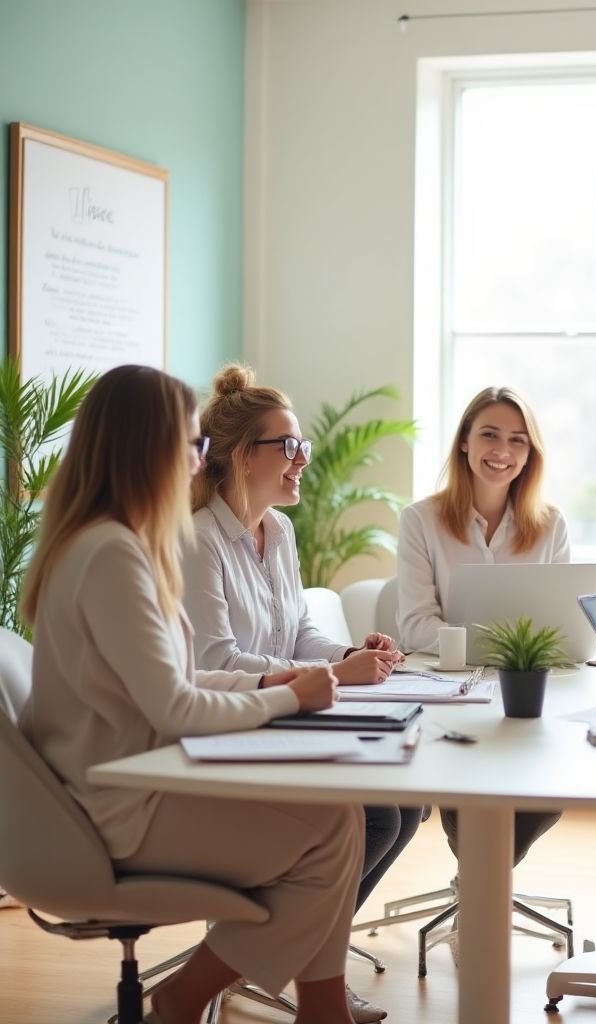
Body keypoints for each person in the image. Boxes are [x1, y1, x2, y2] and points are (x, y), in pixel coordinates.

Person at [19, 365, 364, 1024]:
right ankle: (188, 999)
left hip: (133, 784)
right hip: (117, 808)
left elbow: (174, 681)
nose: (198, 460)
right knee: (330, 832)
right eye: (190, 444)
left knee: (338, 816)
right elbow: (174, 707)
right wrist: (290, 698)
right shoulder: (114, 554)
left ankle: (315, 1009)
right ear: (145, 449)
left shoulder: (111, 544)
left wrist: (272, 682)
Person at [183, 363, 414, 1023]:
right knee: (375, 816)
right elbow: (213, 661)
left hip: (284, 716)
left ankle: (296, 956)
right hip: (231, 726)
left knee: (407, 803)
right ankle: (291, 963)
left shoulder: (277, 531)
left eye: (301, 443)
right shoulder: (198, 540)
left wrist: (347, 655)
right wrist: (333, 678)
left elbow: (299, 632)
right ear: (238, 456)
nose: (303, 458)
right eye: (287, 445)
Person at [396, 385, 568, 866]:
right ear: (464, 442)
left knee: (550, 788)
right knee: (470, 778)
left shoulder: (551, 525)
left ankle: (481, 877)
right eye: (490, 435)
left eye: (517, 440)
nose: (502, 451)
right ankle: (481, 882)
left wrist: (499, 650)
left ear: (530, 453)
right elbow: (415, 627)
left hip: (526, 693)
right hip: (449, 693)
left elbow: (560, 626)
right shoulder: (421, 520)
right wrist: (513, 647)